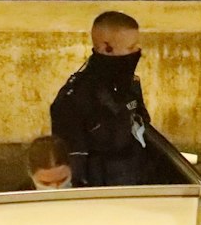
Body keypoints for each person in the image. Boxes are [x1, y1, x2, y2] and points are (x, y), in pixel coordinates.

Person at [50, 10, 159, 187]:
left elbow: (143, 134)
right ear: (105, 48)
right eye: (131, 48)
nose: (137, 52)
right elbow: (73, 171)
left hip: (137, 191)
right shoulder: (74, 99)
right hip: (103, 200)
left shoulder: (129, 86)